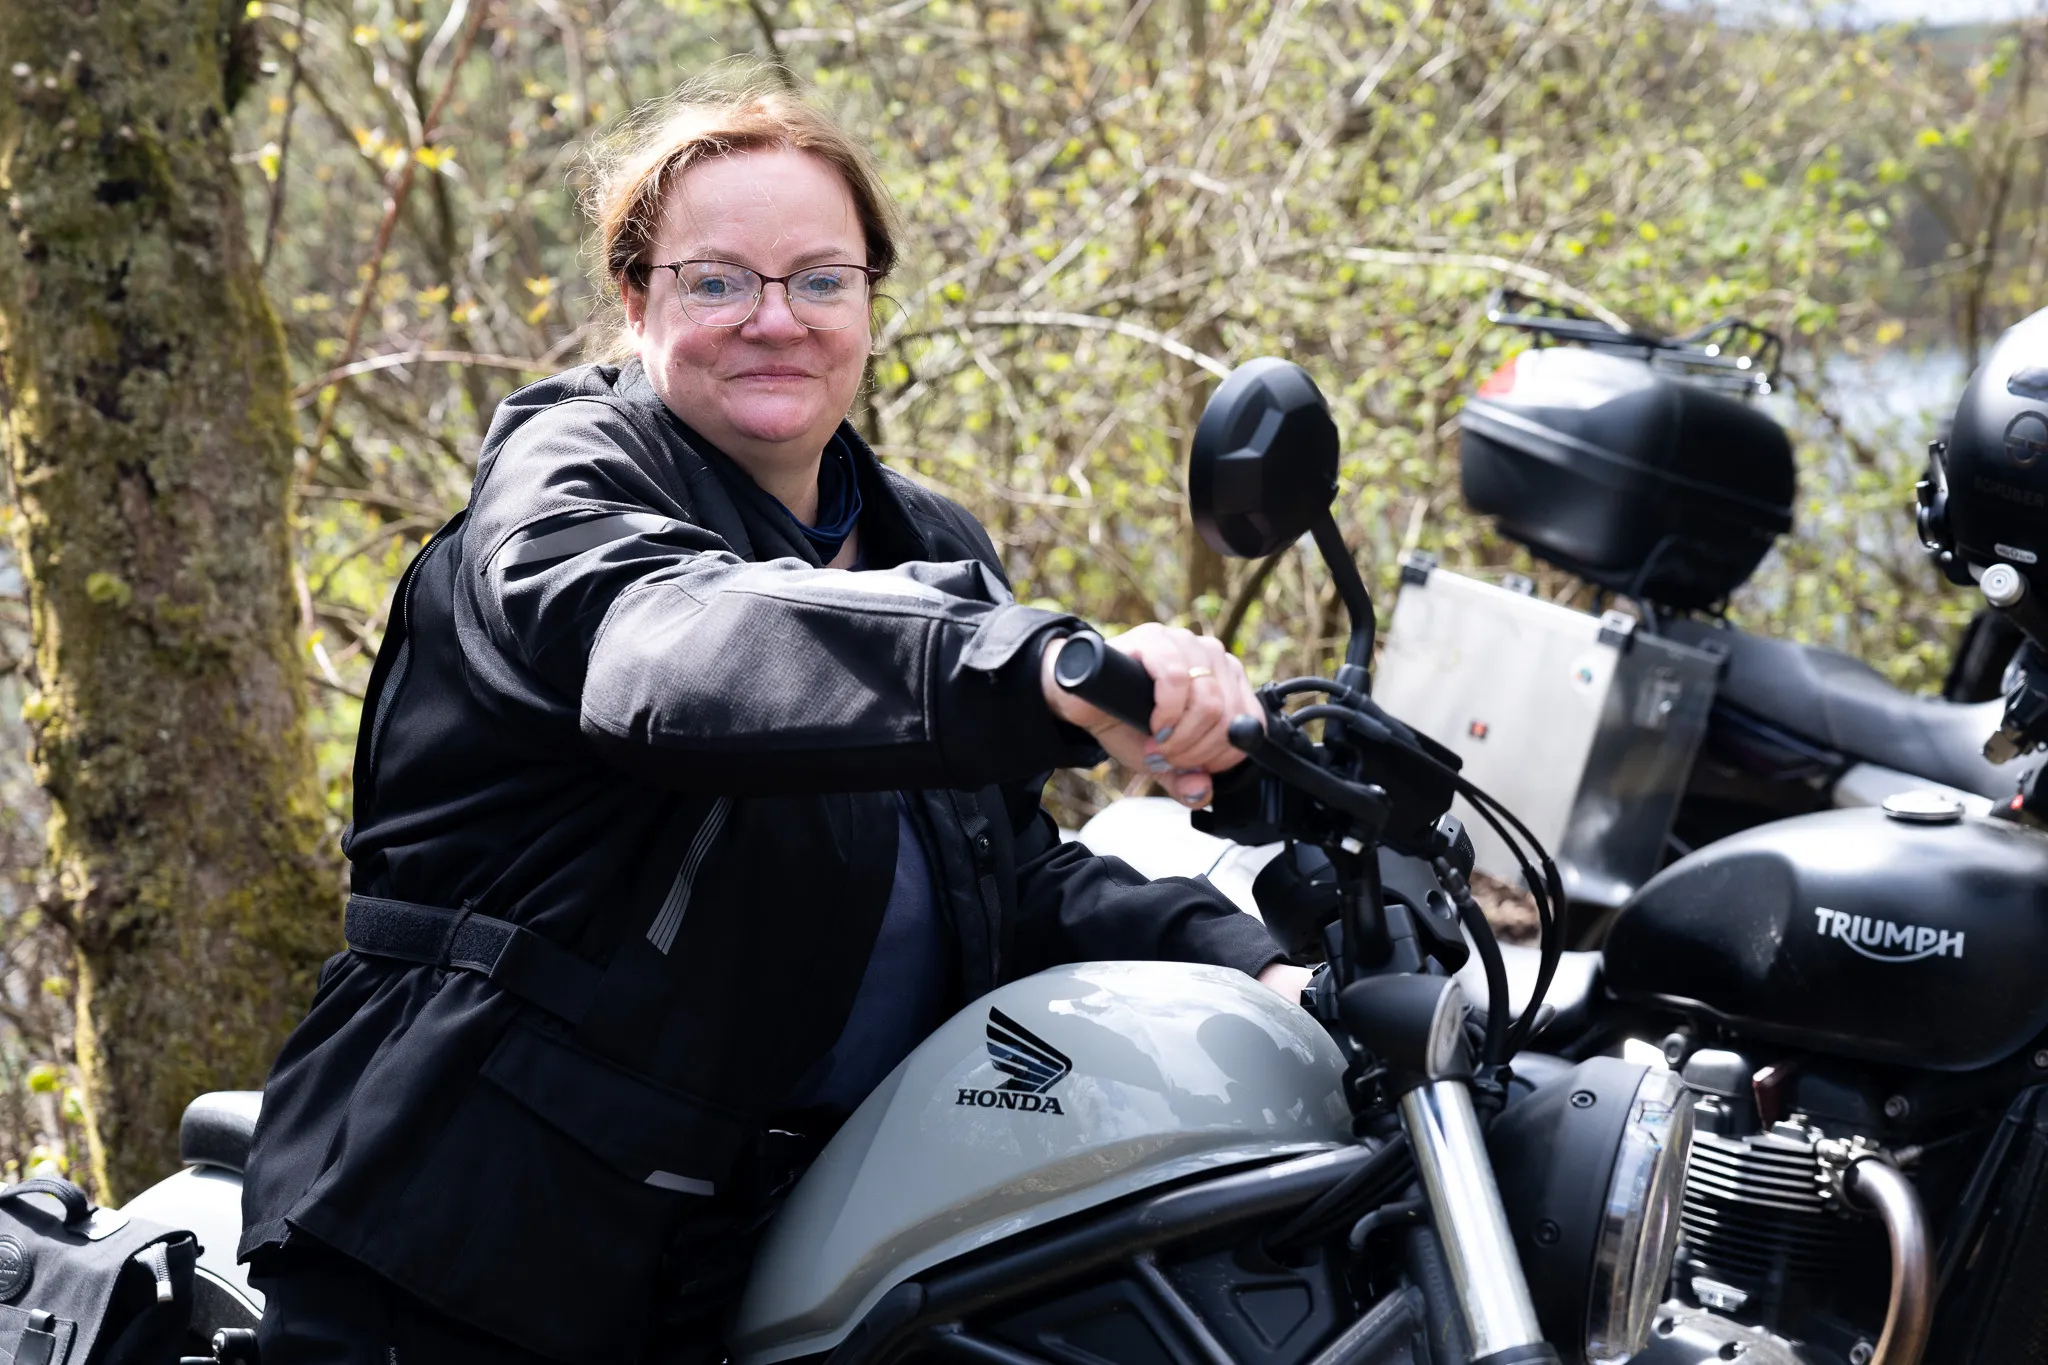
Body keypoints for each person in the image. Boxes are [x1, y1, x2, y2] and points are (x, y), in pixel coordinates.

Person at [237, 71, 1305, 1365]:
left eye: (819, 280)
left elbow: (999, 884)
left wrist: (1255, 966)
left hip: (771, 1267)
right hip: (472, 1254)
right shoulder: (563, 484)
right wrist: (1041, 667)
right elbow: (682, 653)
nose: (774, 321)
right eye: (717, 281)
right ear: (636, 301)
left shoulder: (922, 544)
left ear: (868, 301)